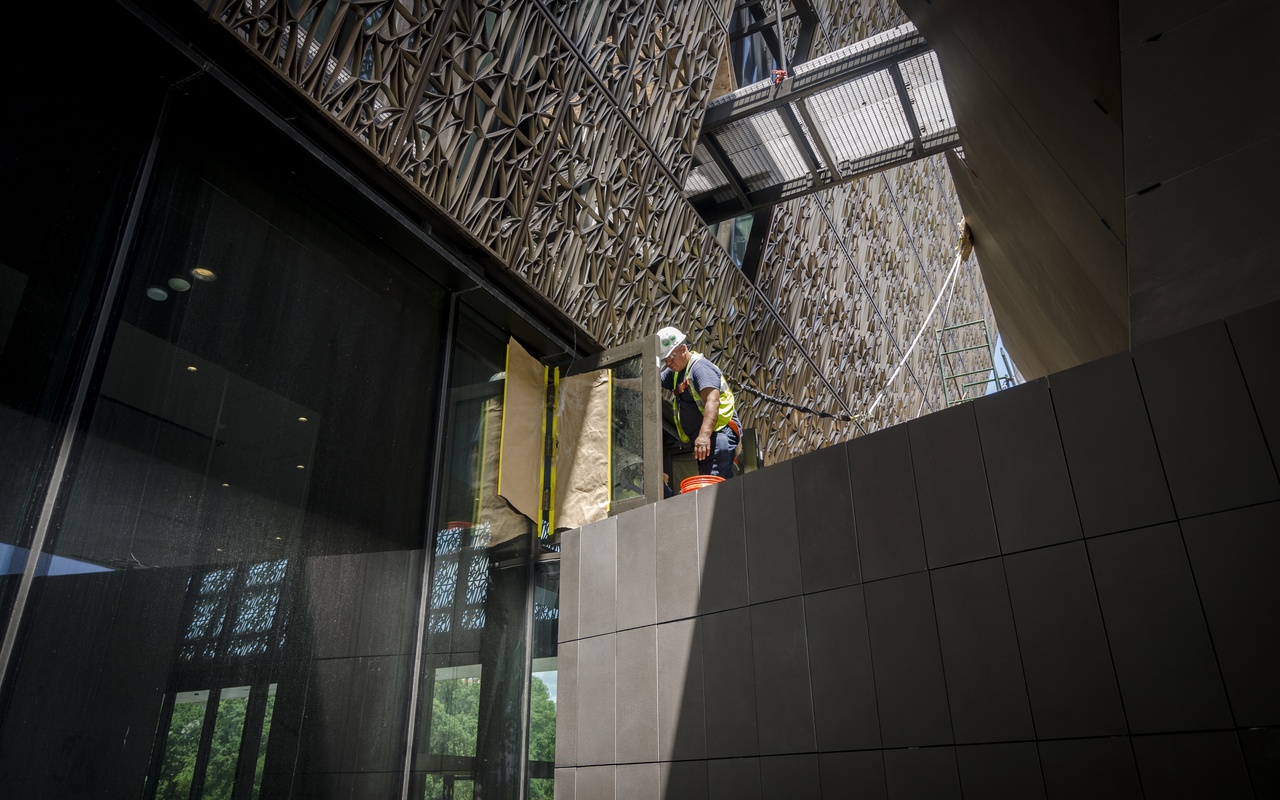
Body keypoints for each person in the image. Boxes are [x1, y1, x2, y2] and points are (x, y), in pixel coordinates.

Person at [656, 326, 741, 481]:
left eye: (671, 357)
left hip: (718, 435)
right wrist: (617, 382)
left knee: (713, 487)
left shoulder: (700, 368)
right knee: (712, 485)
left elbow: (712, 400)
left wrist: (703, 436)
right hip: (707, 440)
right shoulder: (676, 372)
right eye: (665, 360)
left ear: (683, 349)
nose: (668, 363)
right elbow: (650, 381)